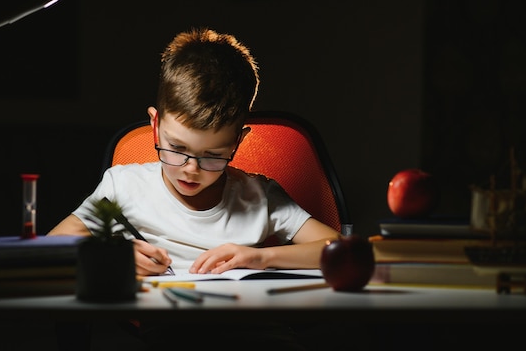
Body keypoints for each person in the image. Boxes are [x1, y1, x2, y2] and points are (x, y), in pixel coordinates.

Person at [48, 27, 341, 277]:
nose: (191, 169)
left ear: (237, 142)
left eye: (212, 155)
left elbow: (340, 249)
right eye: (177, 148)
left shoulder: (259, 197)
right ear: (155, 125)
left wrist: (262, 258)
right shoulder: (124, 186)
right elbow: (52, 244)